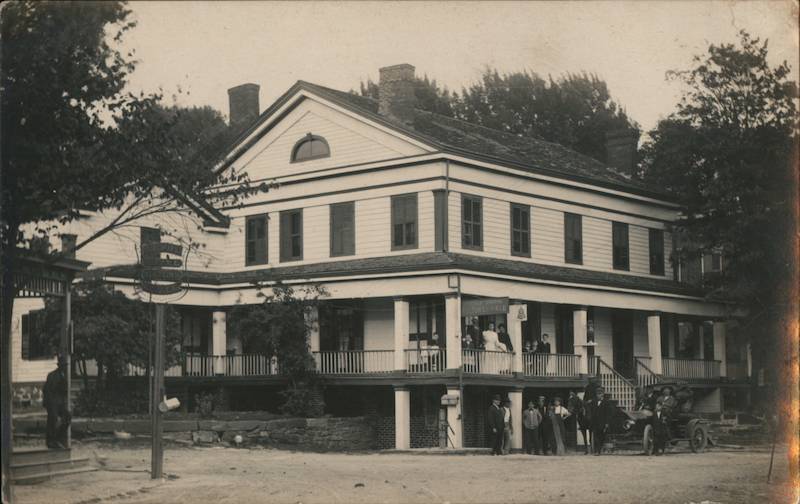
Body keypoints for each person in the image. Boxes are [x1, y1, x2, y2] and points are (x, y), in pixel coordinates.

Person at [43, 354, 70, 449]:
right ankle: (51, 441)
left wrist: (64, 402)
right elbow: (46, 390)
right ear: (59, 365)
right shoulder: (52, 375)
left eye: (65, 365)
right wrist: (48, 404)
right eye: (63, 365)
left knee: (67, 416)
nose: (64, 367)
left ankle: (58, 438)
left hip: (60, 402)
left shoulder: (65, 376)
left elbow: (64, 391)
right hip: (52, 402)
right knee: (53, 419)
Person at [590, 387, 615, 455]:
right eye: (597, 394)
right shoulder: (594, 402)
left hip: (602, 422)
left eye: (600, 394)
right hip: (595, 422)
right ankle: (596, 450)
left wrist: (607, 423)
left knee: (601, 436)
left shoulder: (606, 402)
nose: (599, 395)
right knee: (595, 436)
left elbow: (608, 414)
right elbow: (592, 411)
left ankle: (599, 450)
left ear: (603, 394)